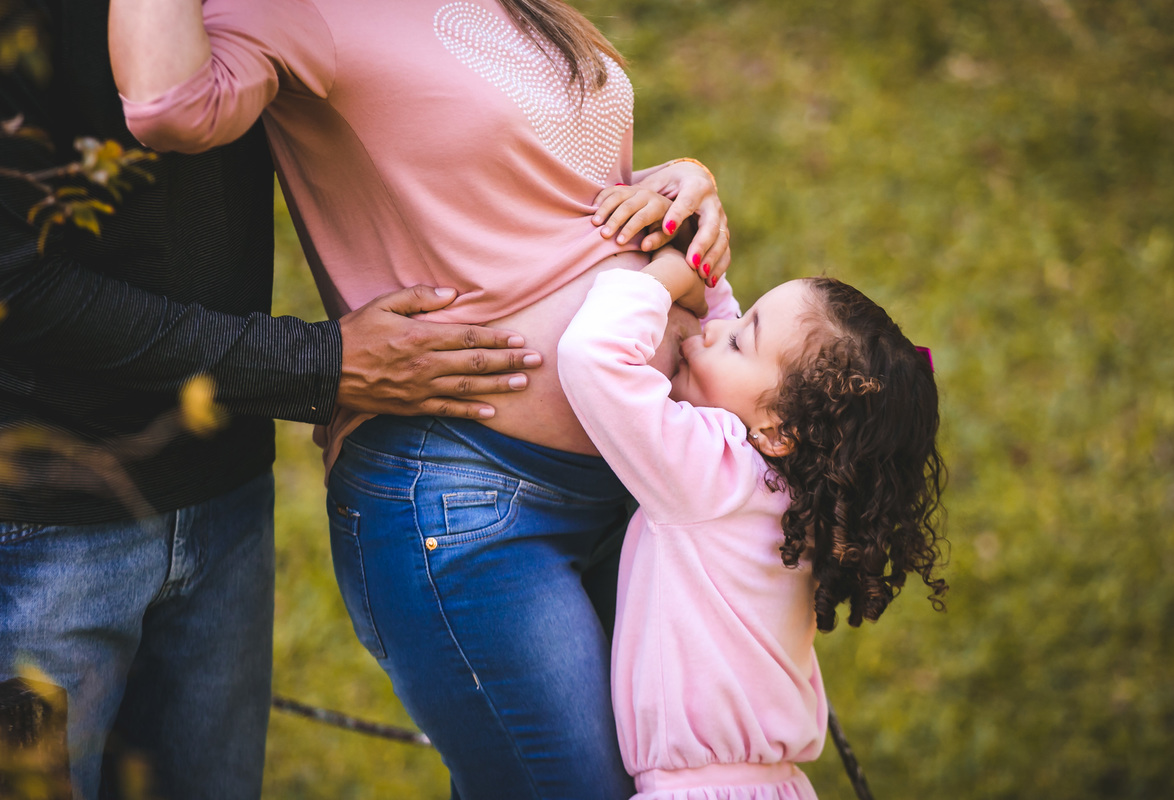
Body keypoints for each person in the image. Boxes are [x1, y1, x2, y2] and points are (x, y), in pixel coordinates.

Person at [108, 0, 731, 796]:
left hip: (640, 470)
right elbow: (166, 106)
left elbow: (535, 186)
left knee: (678, 780)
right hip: (471, 497)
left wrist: (679, 187)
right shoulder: (296, 11)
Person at [0, 2, 543, 798]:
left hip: (223, 495)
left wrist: (643, 191)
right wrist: (312, 366)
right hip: (38, 529)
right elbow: (19, 286)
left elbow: (445, 74)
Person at [557, 188, 948, 798]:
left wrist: (668, 277)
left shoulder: (711, 474)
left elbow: (593, 359)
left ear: (783, 430)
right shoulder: (803, 500)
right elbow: (726, 349)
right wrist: (710, 289)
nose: (712, 334)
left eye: (739, 339)